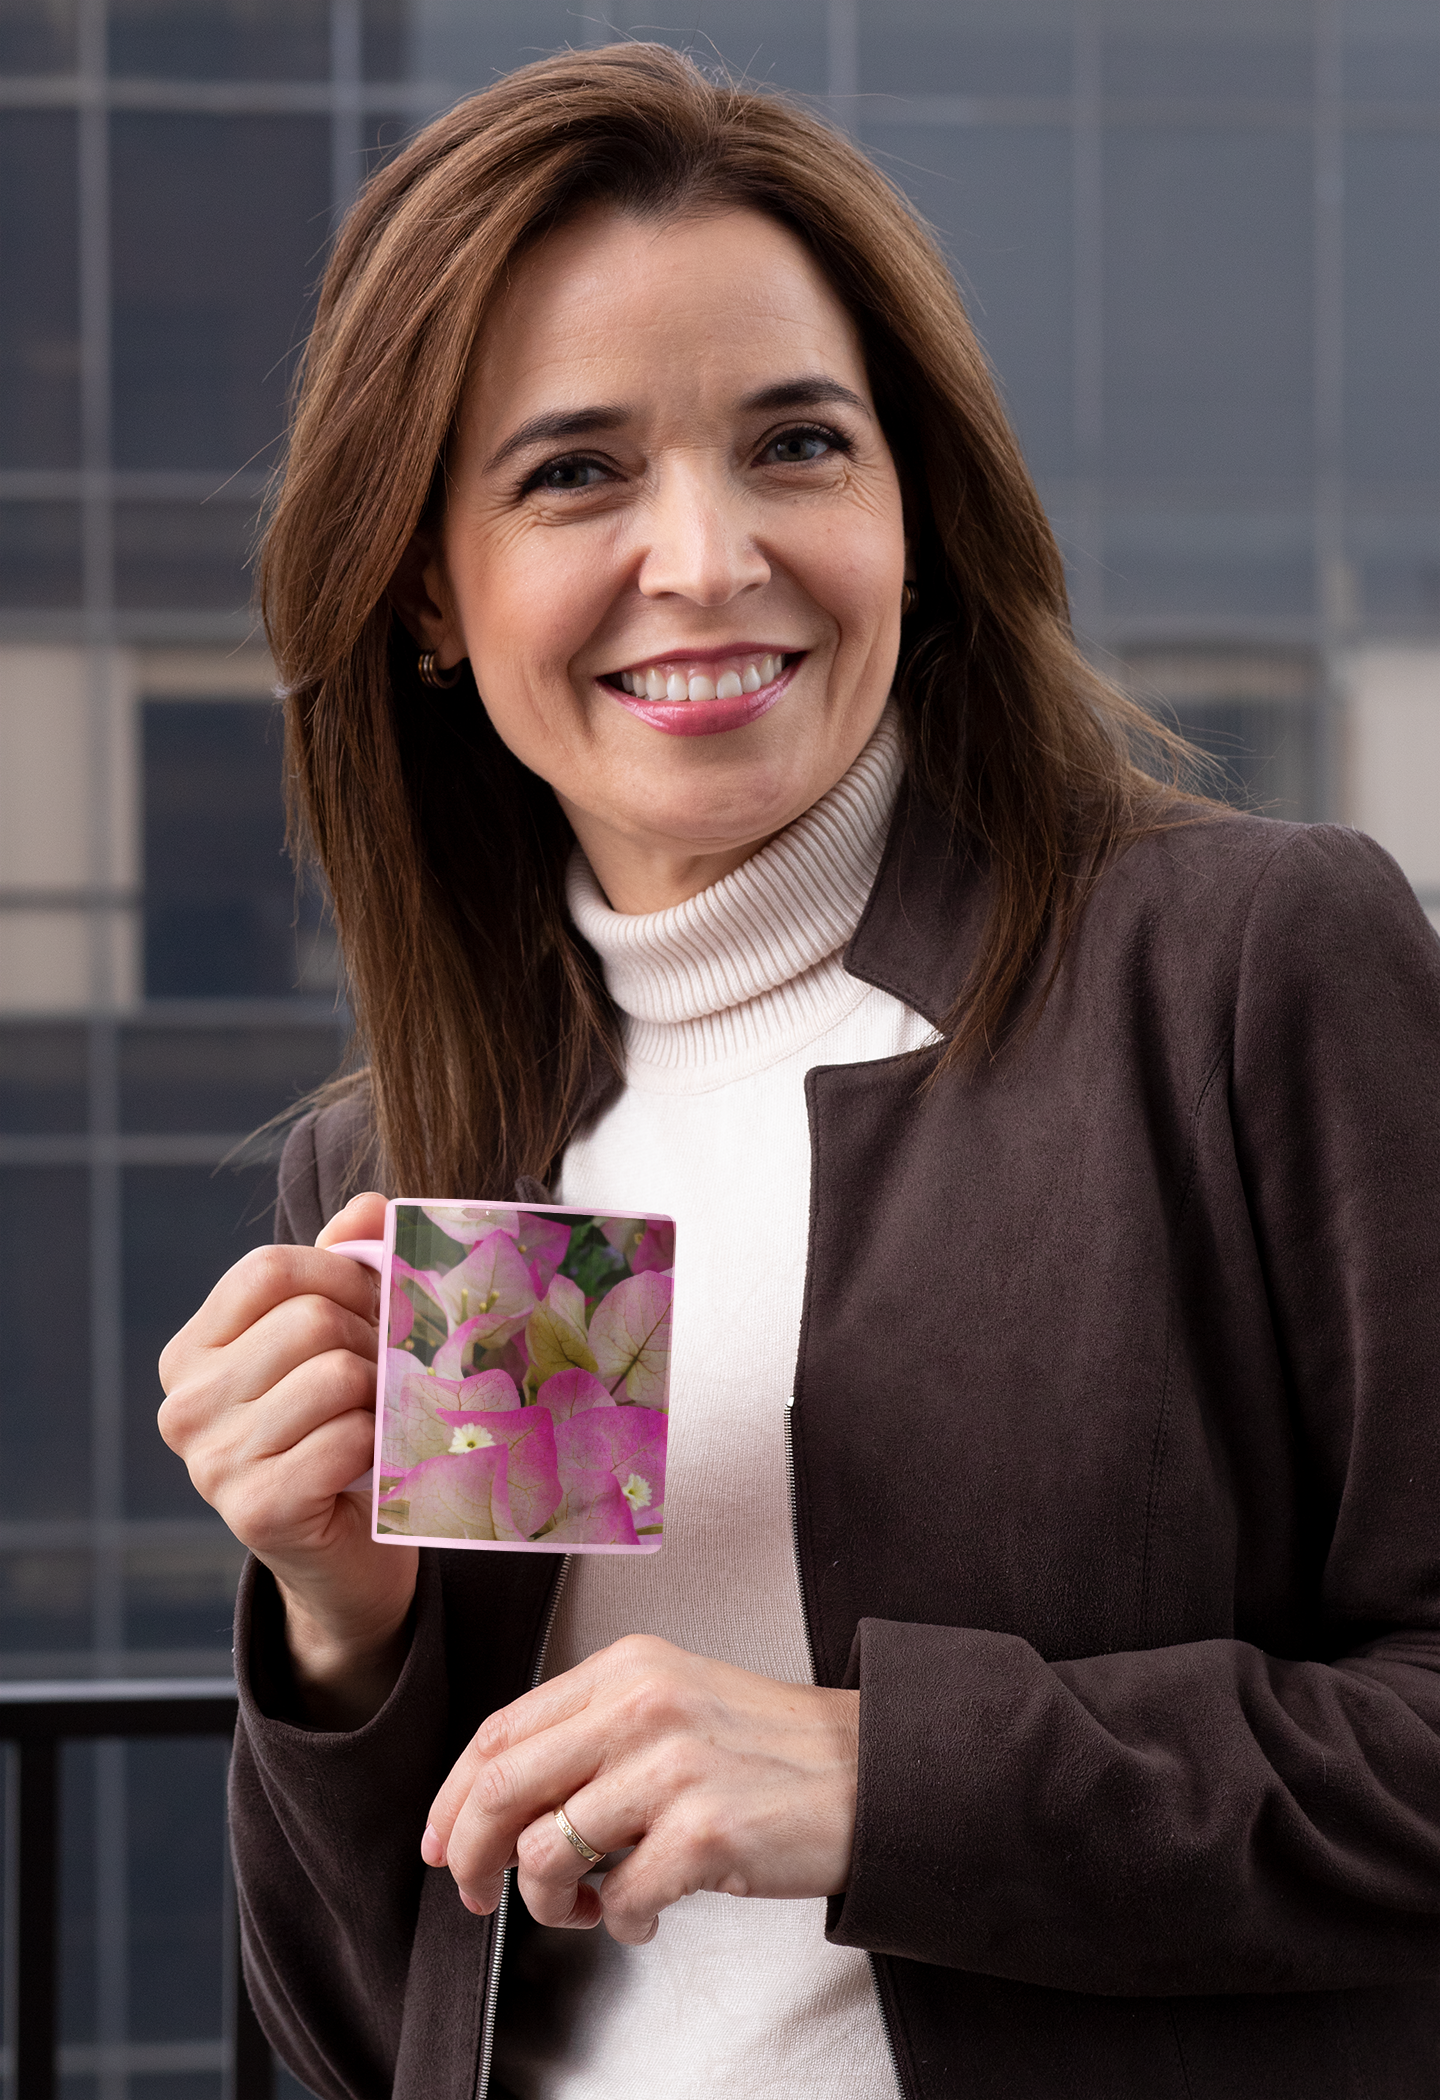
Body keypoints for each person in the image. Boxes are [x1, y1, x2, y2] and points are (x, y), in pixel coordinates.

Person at [157, 41, 1440, 2100]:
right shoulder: (413, 1164)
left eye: (795, 446)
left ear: (911, 506)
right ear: (422, 589)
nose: (709, 556)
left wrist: (873, 1775)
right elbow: (347, 2029)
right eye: (575, 471)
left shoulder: (1236, 974)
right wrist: (343, 1628)